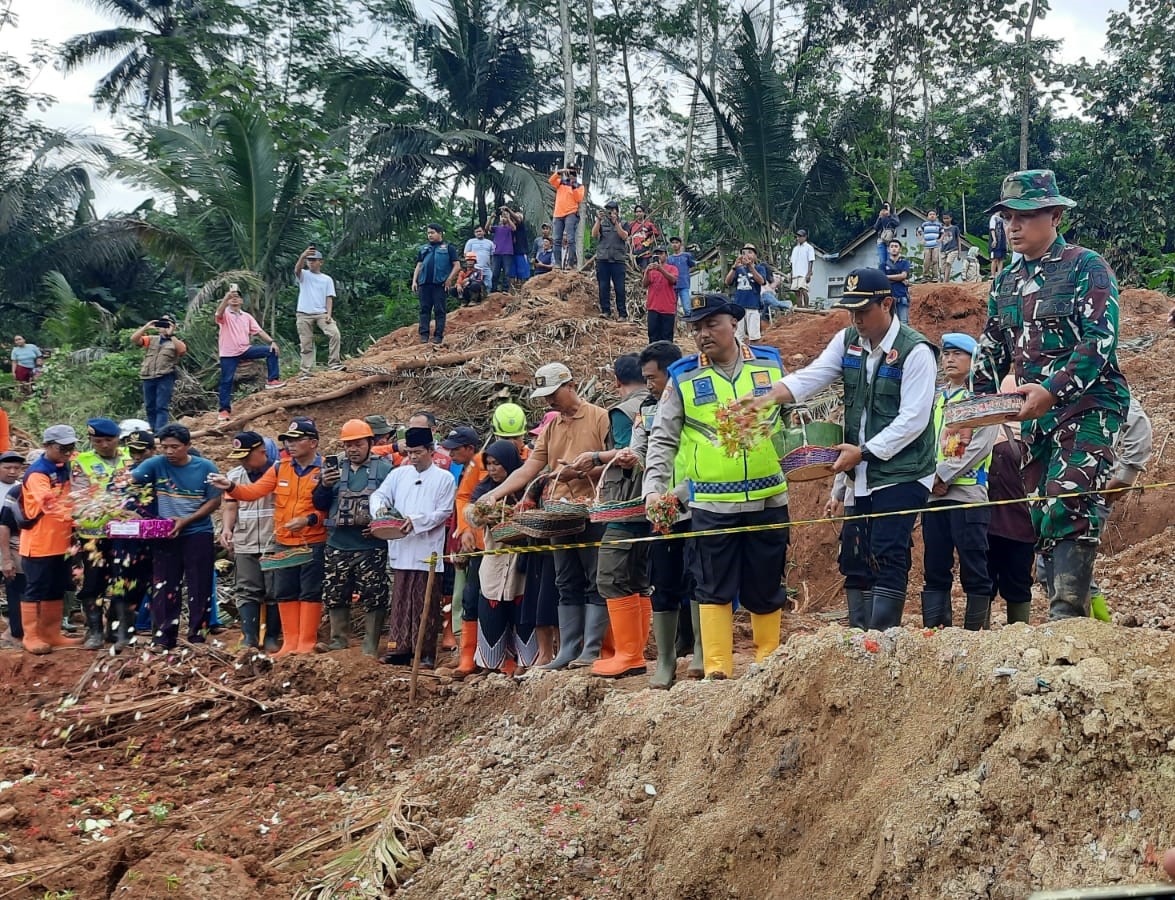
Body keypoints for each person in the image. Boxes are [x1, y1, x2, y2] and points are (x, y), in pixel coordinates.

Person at [972, 169, 1129, 621]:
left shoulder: (1087, 267)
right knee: (1042, 515)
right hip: (1035, 418)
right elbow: (991, 350)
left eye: (1025, 215)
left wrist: (1052, 389)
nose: (1013, 226)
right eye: (1007, 217)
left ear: (1055, 214)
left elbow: (1100, 341)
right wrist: (973, 410)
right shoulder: (1003, 283)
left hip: (1091, 404)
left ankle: (1066, 620)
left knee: (1068, 498)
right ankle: (1080, 623)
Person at [755, 268, 938, 630]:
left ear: (887, 304)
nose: (856, 319)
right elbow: (814, 375)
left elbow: (913, 420)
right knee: (854, 555)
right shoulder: (848, 341)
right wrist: (769, 396)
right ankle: (859, 639)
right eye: (851, 312)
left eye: (863, 311)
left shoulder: (916, 352)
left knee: (888, 552)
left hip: (903, 472)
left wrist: (864, 452)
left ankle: (882, 641)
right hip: (860, 473)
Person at [643, 293, 790, 679]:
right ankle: (717, 669)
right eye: (696, 328)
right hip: (710, 502)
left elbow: (793, 418)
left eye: (711, 324)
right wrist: (654, 488)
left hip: (768, 497)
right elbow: (662, 437)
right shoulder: (683, 375)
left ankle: (766, 664)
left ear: (734, 324)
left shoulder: (771, 364)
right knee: (711, 585)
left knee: (766, 581)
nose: (703, 334)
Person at [481, 362, 610, 670]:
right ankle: (567, 649)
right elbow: (529, 469)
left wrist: (580, 470)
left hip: (591, 511)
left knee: (594, 578)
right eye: (545, 395)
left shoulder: (598, 417)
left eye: (554, 393)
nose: (550, 401)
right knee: (566, 580)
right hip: (557, 514)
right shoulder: (551, 427)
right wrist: (494, 494)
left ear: (571, 385)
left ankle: (590, 649)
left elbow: (614, 462)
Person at [209, 417, 327, 655]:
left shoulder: (324, 469)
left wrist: (308, 520)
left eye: (296, 440)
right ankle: (290, 643)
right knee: (285, 592)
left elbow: (328, 506)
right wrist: (231, 486)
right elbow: (253, 491)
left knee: (310, 592)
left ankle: (306, 642)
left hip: (312, 540)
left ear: (313, 442)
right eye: (287, 441)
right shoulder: (280, 467)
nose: (290, 445)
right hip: (283, 541)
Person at [579, 353, 651, 680]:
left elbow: (628, 455)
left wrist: (592, 457)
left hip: (625, 505)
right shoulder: (656, 401)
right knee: (638, 580)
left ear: (617, 380)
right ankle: (634, 652)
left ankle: (628, 654)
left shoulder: (623, 411)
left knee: (610, 575)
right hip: (651, 506)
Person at [921, 333, 995, 629]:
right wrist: (928, 478)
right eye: (946, 354)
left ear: (973, 360)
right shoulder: (935, 399)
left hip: (968, 496)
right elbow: (922, 441)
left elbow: (981, 444)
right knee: (935, 568)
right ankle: (935, 634)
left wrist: (943, 475)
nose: (949, 359)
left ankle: (976, 635)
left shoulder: (981, 398)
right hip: (934, 497)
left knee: (974, 567)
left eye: (957, 354)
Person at [635, 340, 697, 685]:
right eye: (645, 379)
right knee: (663, 580)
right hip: (660, 509)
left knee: (700, 579)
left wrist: (677, 494)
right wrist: (653, 497)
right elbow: (645, 451)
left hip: (696, 504)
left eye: (653, 377)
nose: (649, 385)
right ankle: (667, 657)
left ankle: (700, 650)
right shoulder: (647, 409)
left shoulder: (697, 405)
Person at [368, 426, 456, 667]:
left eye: (418, 452)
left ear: (430, 450)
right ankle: (398, 649)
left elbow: (443, 512)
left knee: (423, 601)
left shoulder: (444, 478)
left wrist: (415, 521)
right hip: (401, 547)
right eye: (410, 452)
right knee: (401, 601)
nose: (413, 457)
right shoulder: (399, 474)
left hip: (427, 549)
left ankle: (424, 653)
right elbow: (378, 496)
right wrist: (381, 513)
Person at [127, 424, 221, 649]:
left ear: (188, 446)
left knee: (200, 584)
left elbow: (214, 501)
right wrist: (131, 507)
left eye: (175, 447)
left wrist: (186, 520)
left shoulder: (205, 467)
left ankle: (197, 636)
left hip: (197, 532)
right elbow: (128, 482)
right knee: (164, 585)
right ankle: (163, 638)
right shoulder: (155, 464)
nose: (169, 452)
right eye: (164, 447)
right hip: (165, 533)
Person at [312, 420, 395, 656]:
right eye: (348, 445)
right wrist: (325, 486)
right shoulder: (334, 468)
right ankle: (338, 639)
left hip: (371, 544)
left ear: (370, 443)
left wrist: (380, 526)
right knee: (335, 592)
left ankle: (370, 644)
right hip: (337, 542)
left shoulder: (385, 469)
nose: (352, 450)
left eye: (357, 444)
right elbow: (319, 503)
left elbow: (395, 503)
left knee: (374, 593)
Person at [17, 425, 79, 655]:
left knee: (57, 586)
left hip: (61, 542)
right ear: (47, 446)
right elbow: (49, 504)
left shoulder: (65, 465)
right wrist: (80, 517)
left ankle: (52, 633)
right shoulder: (37, 473)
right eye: (62, 447)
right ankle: (31, 635)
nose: (68, 451)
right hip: (39, 542)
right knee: (36, 588)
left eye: (71, 447)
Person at [220, 432, 283, 653]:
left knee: (274, 590)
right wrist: (227, 528)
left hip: (273, 540)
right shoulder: (234, 475)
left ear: (261, 452)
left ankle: (273, 636)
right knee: (246, 589)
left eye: (247, 456)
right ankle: (249, 636)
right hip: (245, 540)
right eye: (240, 458)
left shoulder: (280, 472)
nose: (243, 462)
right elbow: (230, 506)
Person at [470, 440, 530, 673]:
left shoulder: (527, 488)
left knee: (522, 610)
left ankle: (526, 661)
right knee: (490, 609)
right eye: (489, 464)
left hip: (520, 558)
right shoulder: (485, 490)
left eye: (497, 463)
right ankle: (489, 663)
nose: (492, 469)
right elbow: (472, 515)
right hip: (494, 560)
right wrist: (485, 513)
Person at [72, 417, 131, 649]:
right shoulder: (81, 462)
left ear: (118, 439)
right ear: (90, 441)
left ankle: (116, 630)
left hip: (126, 533)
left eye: (109, 440)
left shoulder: (129, 456)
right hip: (94, 532)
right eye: (98, 441)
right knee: (94, 581)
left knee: (122, 580)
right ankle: (94, 630)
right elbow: (80, 496)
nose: (104, 445)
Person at [986, 421, 1035, 625]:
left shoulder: (1037, 428)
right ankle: (977, 640)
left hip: (1021, 524)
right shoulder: (985, 426)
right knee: (982, 583)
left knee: (1018, 585)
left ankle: (1020, 642)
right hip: (986, 523)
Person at [215, 286, 284, 424]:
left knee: (271, 350)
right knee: (226, 381)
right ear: (228, 301)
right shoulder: (226, 315)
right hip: (229, 354)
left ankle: (272, 380)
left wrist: (272, 341)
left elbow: (259, 331)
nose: (234, 299)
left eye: (237, 297)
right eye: (232, 297)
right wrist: (226, 297)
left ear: (241, 301)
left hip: (245, 349)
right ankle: (224, 410)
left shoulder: (246, 317)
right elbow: (218, 313)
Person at [131, 314, 186, 432]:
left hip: (165, 376)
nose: (164, 326)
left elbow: (181, 350)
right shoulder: (151, 339)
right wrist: (146, 327)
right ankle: (154, 429)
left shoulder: (175, 341)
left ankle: (160, 432)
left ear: (173, 326)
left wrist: (171, 335)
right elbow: (134, 339)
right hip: (148, 376)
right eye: (162, 323)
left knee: (161, 406)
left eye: (168, 323)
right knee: (149, 406)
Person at [293, 246, 343, 376]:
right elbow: (297, 270)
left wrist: (329, 314)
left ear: (321, 262)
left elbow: (329, 298)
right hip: (303, 313)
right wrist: (302, 256)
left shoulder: (327, 279)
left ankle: (334, 363)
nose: (311, 262)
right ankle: (306, 371)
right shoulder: (304, 274)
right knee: (306, 343)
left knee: (334, 333)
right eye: (309, 260)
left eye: (314, 260)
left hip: (321, 313)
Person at [412, 223, 461, 345]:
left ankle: (438, 336)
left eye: (432, 232)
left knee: (439, 310)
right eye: (428, 233)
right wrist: (414, 281)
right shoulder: (423, 249)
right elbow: (418, 265)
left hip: (440, 284)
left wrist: (449, 279)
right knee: (424, 309)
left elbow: (457, 265)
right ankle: (424, 335)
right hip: (424, 284)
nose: (430, 235)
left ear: (440, 233)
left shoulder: (448, 248)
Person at [0, 450, 27, 645]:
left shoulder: (21, 489)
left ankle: (16, 631)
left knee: (16, 586)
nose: (12, 471)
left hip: (13, 542)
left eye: (16, 468)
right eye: (7, 467)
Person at [592, 201, 629, 319]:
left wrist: (616, 223)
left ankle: (622, 314)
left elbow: (624, 236)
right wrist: (598, 220)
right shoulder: (602, 223)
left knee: (620, 288)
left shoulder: (623, 223)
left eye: (612, 210)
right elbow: (594, 234)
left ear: (617, 211)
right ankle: (606, 311)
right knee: (603, 286)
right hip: (603, 258)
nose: (610, 212)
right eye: (608, 210)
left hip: (618, 260)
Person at [724, 243, 768, 342]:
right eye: (744, 253)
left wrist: (750, 267)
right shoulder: (738, 269)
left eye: (750, 252)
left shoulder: (759, 268)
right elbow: (727, 282)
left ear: (755, 256)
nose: (746, 255)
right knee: (737, 337)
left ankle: (755, 355)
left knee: (754, 336)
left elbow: (761, 281)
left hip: (753, 306)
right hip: (739, 307)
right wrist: (734, 267)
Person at [549, 165, 585, 268]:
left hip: (571, 213)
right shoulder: (561, 182)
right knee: (556, 239)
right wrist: (560, 172)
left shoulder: (579, 186)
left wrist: (573, 184)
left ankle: (570, 263)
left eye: (573, 171)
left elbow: (578, 198)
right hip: (558, 213)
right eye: (570, 171)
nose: (571, 173)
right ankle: (557, 263)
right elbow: (551, 181)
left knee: (570, 239)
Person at [642, 246, 679, 343]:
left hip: (667, 308)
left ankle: (666, 358)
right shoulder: (651, 269)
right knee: (653, 336)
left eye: (661, 253)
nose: (658, 256)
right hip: (653, 307)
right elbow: (644, 284)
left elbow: (673, 280)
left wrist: (660, 269)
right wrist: (647, 272)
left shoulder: (672, 268)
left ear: (666, 255)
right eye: (656, 254)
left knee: (667, 337)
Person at [883, 239, 912, 325]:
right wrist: (899, 279)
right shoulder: (883, 265)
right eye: (892, 246)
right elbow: (882, 278)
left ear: (900, 249)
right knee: (890, 324)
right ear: (888, 249)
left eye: (896, 246)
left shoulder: (905, 262)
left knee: (904, 323)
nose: (894, 248)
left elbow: (903, 275)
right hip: (889, 299)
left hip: (902, 297)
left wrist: (888, 277)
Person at [488, 211, 516, 295]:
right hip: (497, 253)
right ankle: (493, 289)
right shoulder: (496, 228)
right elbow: (487, 228)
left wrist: (508, 217)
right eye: (502, 217)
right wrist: (491, 218)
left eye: (505, 217)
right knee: (495, 272)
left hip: (507, 252)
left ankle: (505, 290)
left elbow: (514, 228)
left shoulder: (510, 228)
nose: (503, 218)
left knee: (507, 273)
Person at [667, 236, 696, 315]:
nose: (675, 244)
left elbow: (693, 266)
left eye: (676, 242)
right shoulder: (669, 259)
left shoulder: (686, 256)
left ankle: (689, 327)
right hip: (673, 286)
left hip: (684, 285)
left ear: (680, 244)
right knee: (672, 310)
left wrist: (686, 273)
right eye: (673, 243)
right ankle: (674, 327)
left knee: (687, 309)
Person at [789, 229, 816, 307]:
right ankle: (800, 308)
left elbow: (811, 261)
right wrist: (791, 274)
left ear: (805, 237)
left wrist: (809, 273)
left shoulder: (809, 248)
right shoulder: (795, 249)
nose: (798, 238)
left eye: (800, 236)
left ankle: (806, 307)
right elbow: (792, 262)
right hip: (795, 273)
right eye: (797, 236)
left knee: (804, 290)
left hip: (803, 273)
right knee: (796, 292)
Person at [627, 204, 660, 269]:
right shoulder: (631, 225)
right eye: (637, 212)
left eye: (640, 211)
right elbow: (627, 236)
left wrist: (648, 243)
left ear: (644, 213)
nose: (638, 213)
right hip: (633, 253)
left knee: (645, 271)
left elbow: (655, 235)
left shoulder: (649, 224)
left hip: (645, 253)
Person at [463, 225, 495, 291]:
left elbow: (492, 256)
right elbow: (466, 254)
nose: (478, 233)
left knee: (489, 285)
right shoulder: (470, 242)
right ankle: (474, 300)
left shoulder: (490, 243)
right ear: (474, 233)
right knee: (474, 285)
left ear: (484, 232)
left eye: (480, 231)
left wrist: (491, 266)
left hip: (487, 268)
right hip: (475, 268)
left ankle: (487, 300)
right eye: (476, 232)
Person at [917, 209, 942, 283]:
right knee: (926, 261)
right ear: (927, 216)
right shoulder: (924, 224)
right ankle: (925, 276)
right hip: (927, 246)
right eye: (930, 214)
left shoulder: (939, 224)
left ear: (936, 216)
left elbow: (943, 233)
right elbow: (918, 232)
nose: (932, 216)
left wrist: (940, 239)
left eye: (933, 214)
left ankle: (935, 276)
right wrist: (921, 240)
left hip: (935, 245)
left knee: (935, 260)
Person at [872, 202, 900, 268]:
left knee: (889, 259)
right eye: (884, 207)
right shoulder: (881, 217)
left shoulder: (893, 216)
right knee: (882, 261)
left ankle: (889, 275)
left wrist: (889, 216)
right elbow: (875, 227)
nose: (885, 209)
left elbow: (897, 223)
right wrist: (880, 217)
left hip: (890, 240)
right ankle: (882, 275)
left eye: (887, 207)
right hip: (881, 240)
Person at [510, 207, 532, 286]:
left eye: (518, 217)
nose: (515, 219)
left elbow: (518, 220)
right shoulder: (510, 228)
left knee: (523, 274)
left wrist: (509, 210)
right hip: (512, 253)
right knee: (512, 274)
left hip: (521, 253)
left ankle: (524, 291)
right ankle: (511, 293)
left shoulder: (521, 226)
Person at [939, 213, 962, 282]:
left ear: (951, 218)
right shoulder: (941, 229)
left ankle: (945, 281)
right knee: (943, 269)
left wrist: (959, 253)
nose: (946, 220)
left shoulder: (955, 228)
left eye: (947, 218)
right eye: (944, 218)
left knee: (948, 263)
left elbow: (958, 239)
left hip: (953, 249)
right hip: (943, 250)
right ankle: (947, 280)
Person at [988, 210, 1008, 278]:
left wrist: (1007, 242)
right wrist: (994, 239)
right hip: (996, 240)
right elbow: (992, 229)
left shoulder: (1002, 219)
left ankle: (999, 274)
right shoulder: (993, 218)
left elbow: (1005, 230)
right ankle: (993, 274)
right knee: (994, 258)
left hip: (1002, 241)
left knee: (1001, 258)